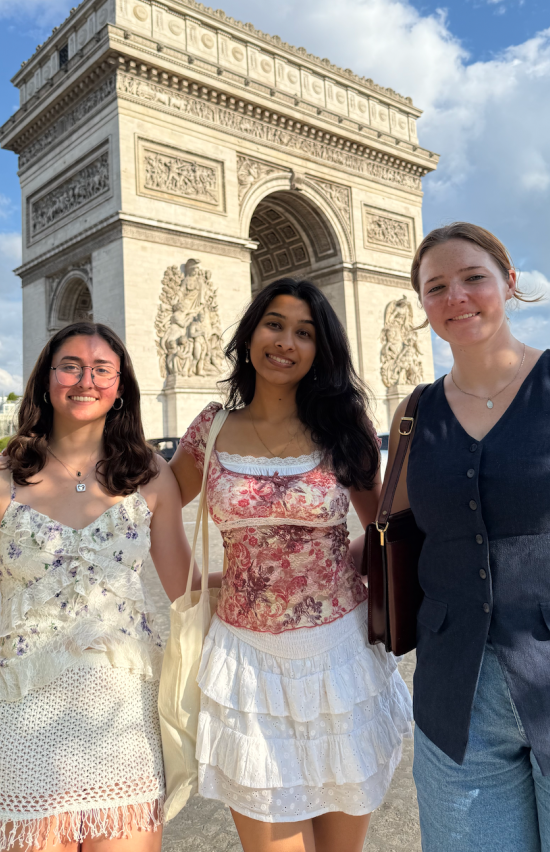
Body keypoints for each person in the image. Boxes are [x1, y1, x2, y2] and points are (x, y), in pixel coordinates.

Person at [169, 277, 412, 852]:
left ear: (320, 350)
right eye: (274, 323)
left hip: (340, 663)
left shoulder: (342, 426)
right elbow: (149, 506)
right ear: (250, 331)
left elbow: (382, 528)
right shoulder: (211, 428)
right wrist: (192, 585)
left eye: (305, 332)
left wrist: (339, 559)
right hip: (245, 666)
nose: (285, 342)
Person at [0, 322, 199, 852]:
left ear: (120, 387)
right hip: (23, 713)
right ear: (46, 379)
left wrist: (281, 580)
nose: (85, 380)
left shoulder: (151, 474)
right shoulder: (3, 475)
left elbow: (188, 590)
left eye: (101, 369)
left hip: (123, 719)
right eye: (70, 366)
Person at [383, 222, 549, 851]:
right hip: (456, 698)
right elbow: (389, 532)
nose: (456, 297)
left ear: (508, 281)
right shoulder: (413, 414)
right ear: (422, 306)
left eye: (473, 277)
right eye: (436, 287)